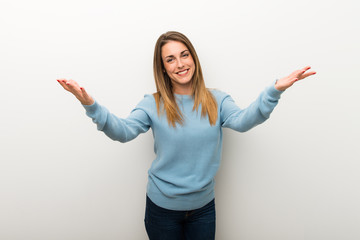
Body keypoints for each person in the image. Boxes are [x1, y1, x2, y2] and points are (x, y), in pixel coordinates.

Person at [57, 31, 316, 240]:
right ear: (163, 68)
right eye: (170, 59)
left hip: (203, 209)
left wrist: (274, 91)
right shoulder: (152, 104)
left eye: (184, 55)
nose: (180, 64)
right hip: (162, 211)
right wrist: (90, 104)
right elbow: (122, 132)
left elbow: (243, 121)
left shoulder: (217, 100)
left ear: (193, 58)